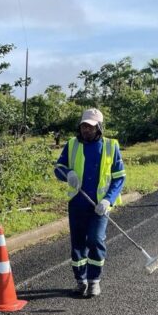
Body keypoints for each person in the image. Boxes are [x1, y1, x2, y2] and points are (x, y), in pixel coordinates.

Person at [53, 108, 126, 298]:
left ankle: (94, 280)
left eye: (91, 127)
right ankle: (80, 280)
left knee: (95, 239)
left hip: (99, 206)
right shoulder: (72, 145)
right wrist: (67, 174)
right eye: (84, 125)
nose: (86, 129)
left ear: (99, 127)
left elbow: (119, 178)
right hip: (77, 203)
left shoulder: (111, 146)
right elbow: (58, 168)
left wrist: (108, 200)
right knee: (77, 244)